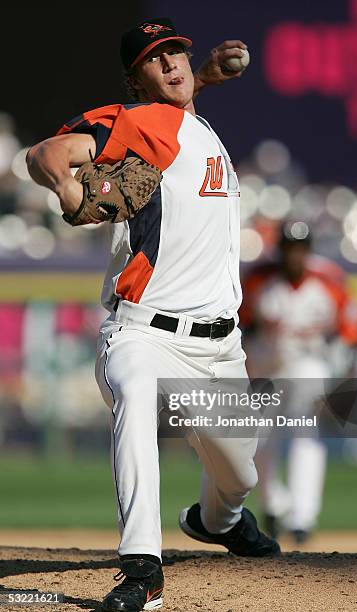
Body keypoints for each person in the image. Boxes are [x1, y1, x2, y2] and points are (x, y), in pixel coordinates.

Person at [26, 17, 280, 612]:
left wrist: (208, 78)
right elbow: (46, 154)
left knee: (240, 476)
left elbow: (178, 108)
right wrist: (66, 187)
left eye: (176, 53)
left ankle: (218, 521)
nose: (171, 64)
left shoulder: (191, 123)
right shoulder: (138, 121)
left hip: (220, 348)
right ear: (134, 79)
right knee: (137, 395)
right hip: (146, 333)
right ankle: (143, 568)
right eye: (153, 59)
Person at [241, 220, 357, 544]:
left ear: (309, 251)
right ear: (280, 250)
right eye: (288, 249)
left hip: (308, 366)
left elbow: (355, 329)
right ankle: (275, 503)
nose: (294, 256)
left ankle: (303, 516)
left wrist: (343, 382)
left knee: (305, 432)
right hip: (265, 369)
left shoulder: (328, 279)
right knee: (258, 441)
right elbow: (240, 326)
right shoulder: (259, 279)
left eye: (300, 249)